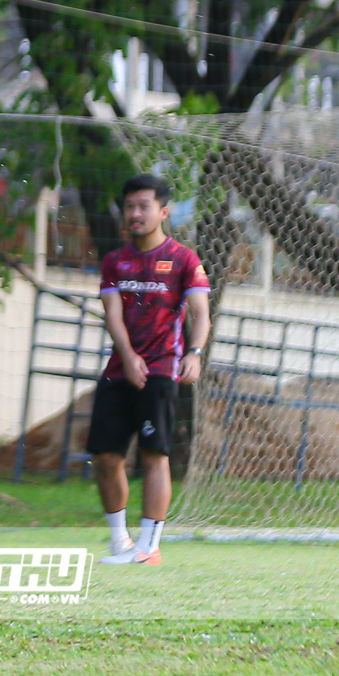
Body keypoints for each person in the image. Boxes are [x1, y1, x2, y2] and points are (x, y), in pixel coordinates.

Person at [89, 173, 210, 565]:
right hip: (119, 368)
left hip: (162, 369)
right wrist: (127, 356)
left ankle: (148, 546)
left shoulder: (184, 260)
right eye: (129, 207)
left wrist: (194, 352)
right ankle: (119, 542)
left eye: (144, 206)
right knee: (106, 456)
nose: (135, 214)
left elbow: (200, 315)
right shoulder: (114, 261)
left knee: (155, 453)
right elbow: (113, 315)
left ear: (163, 211)